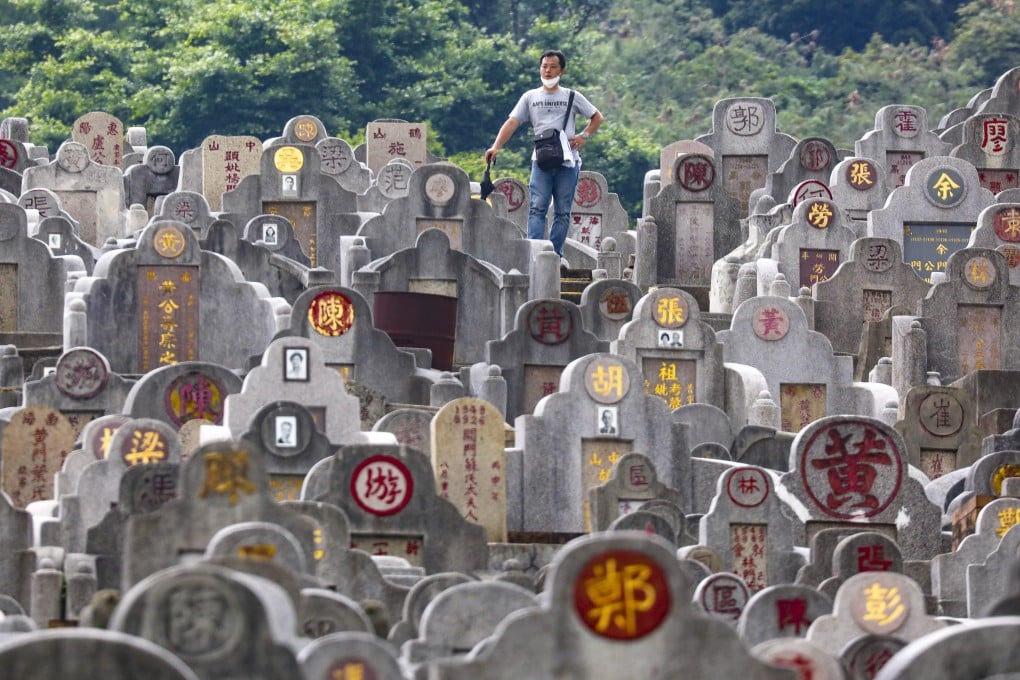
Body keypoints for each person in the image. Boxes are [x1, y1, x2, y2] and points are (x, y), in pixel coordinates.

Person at [485, 50, 604, 260]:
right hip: (540, 160)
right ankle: (535, 253)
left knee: (562, 210)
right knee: (537, 207)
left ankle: (556, 255)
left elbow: (596, 117)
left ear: (562, 70)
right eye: (544, 66)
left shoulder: (572, 96)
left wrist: (584, 136)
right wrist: (496, 146)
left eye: (553, 67)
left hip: (568, 161)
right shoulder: (530, 97)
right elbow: (513, 121)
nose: (548, 71)